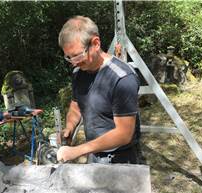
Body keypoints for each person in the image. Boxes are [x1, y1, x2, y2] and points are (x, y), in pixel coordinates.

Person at [57, 16, 140, 164]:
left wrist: (78, 150)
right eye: (68, 57)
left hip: (121, 158)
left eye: (77, 56)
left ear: (95, 43)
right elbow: (76, 106)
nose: (73, 63)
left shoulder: (122, 78)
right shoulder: (79, 72)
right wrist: (69, 128)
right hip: (93, 154)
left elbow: (124, 134)